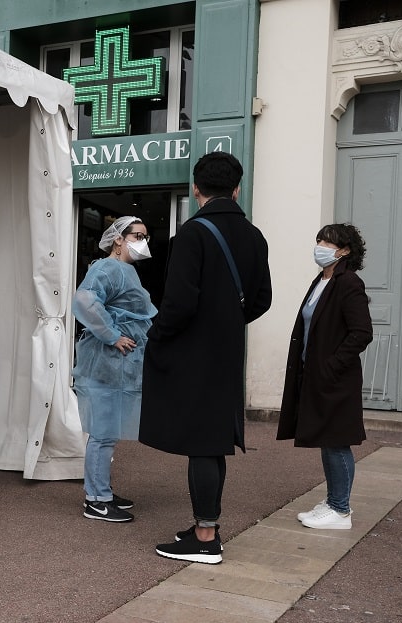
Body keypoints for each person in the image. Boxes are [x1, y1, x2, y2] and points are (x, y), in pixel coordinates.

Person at [140, 152, 272, 563]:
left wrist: (156, 336)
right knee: (214, 440)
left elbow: (178, 304)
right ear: (237, 188)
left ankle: (205, 536)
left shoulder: (192, 234)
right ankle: (206, 524)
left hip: (193, 352)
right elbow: (262, 300)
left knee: (201, 441)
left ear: (196, 189)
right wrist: (229, 319)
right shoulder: (254, 236)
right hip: (227, 350)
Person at [277, 223, 373, 530]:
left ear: (344, 250)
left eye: (327, 242)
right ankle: (334, 501)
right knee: (327, 440)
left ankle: (340, 510)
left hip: (335, 378)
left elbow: (361, 333)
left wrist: (331, 366)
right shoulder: (322, 280)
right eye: (319, 239)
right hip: (315, 375)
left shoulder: (349, 283)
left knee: (336, 441)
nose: (320, 245)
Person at [73, 216, 157, 522]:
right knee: (102, 432)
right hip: (106, 362)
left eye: (145, 236)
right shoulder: (107, 267)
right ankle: (96, 499)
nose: (142, 242)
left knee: (108, 431)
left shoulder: (125, 270)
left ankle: (102, 490)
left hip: (118, 365)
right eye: (137, 235)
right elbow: (84, 299)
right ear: (118, 239)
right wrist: (112, 335)